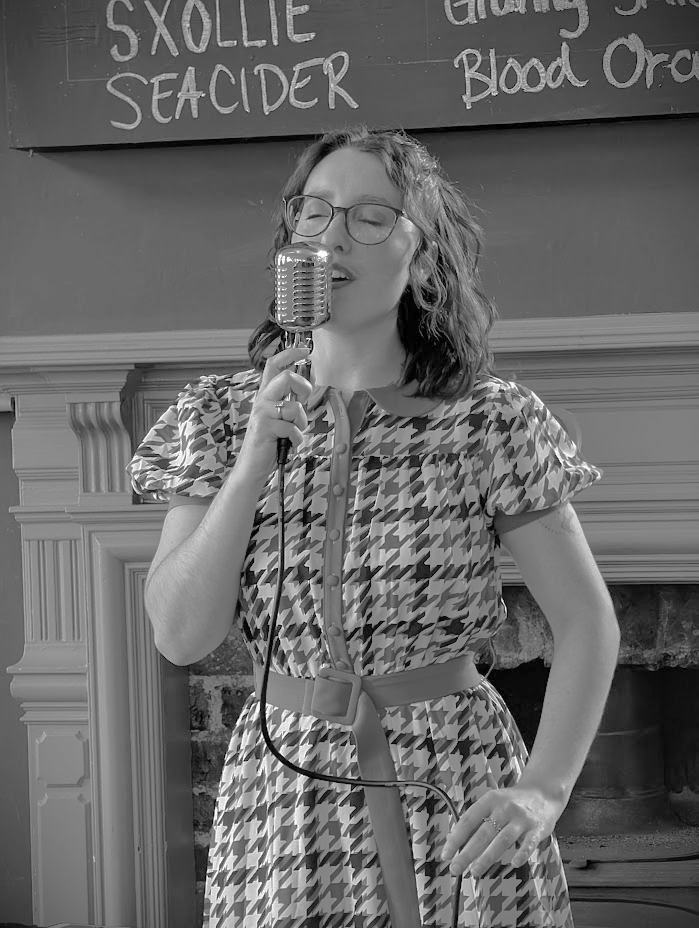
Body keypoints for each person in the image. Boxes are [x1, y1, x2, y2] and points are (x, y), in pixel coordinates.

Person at [127, 125, 620, 928]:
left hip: (450, 777)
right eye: (314, 212)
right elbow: (181, 636)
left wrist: (542, 790)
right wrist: (252, 465)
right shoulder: (218, 418)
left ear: (422, 259)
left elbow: (587, 622)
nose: (332, 234)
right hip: (282, 794)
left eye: (370, 217)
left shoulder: (489, 422)